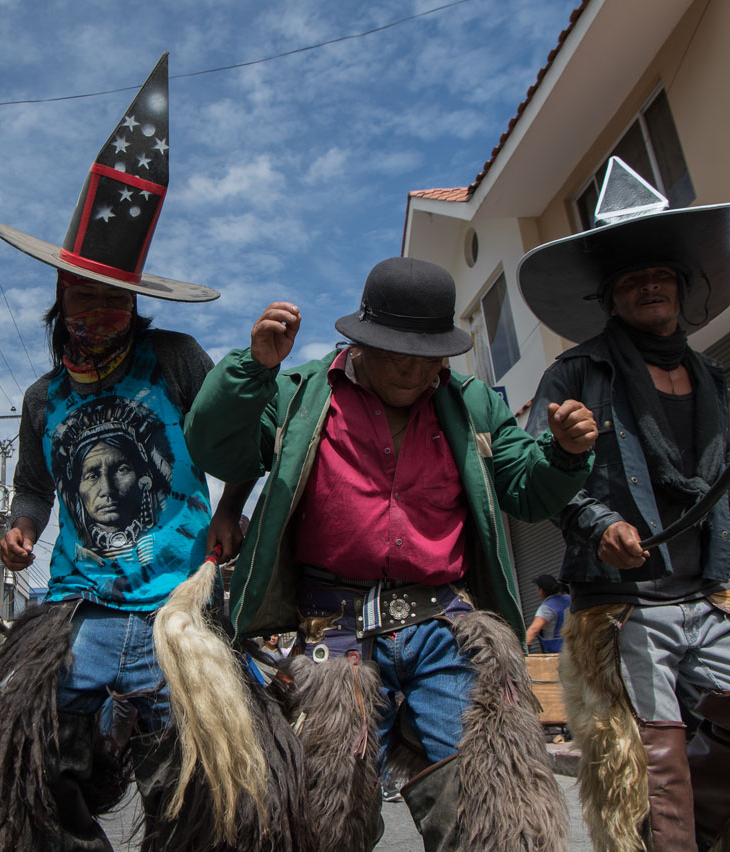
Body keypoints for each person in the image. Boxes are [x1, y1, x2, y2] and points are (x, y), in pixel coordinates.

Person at [0, 54, 292, 852]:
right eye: (82, 294)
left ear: (134, 303)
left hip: (176, 610)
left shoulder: (180, 360)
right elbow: (33, 492)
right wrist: (20, 530)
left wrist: (230, 510)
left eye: (113, 296)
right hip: (78, 608)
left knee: (203, 785)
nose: (96, 308)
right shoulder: (44, 400)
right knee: (24, 760)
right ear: (60, 299)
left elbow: (243, 444)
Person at [184, 256, 599, 851]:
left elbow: (525, 490)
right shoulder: (300, 393)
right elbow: (217, 449)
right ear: (363, 341)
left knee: (493, 811)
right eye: (396, 350)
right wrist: (252, 370)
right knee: (319, 821)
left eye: (427, 353)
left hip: (446, 629)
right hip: (334, 632)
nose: (411, 368)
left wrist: (562, 455)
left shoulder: (475, 404)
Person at [521, 156, 730, 851]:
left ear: (683, 288)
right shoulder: (575, 371)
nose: (649, 287)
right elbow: (544, 478)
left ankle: (703, 835)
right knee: (654, 759)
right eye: (632, 280)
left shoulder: (708, 373)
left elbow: (722, 475)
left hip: (707, 593)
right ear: (613, 299)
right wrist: (598, 522)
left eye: (660, 276)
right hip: (624, 603)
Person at [525, 573, 571, 652]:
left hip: (557, 652)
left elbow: (534, 630)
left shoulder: (546, 608)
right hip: (575, 648)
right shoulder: (570, 599)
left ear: (540, 591)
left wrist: (517, 650)